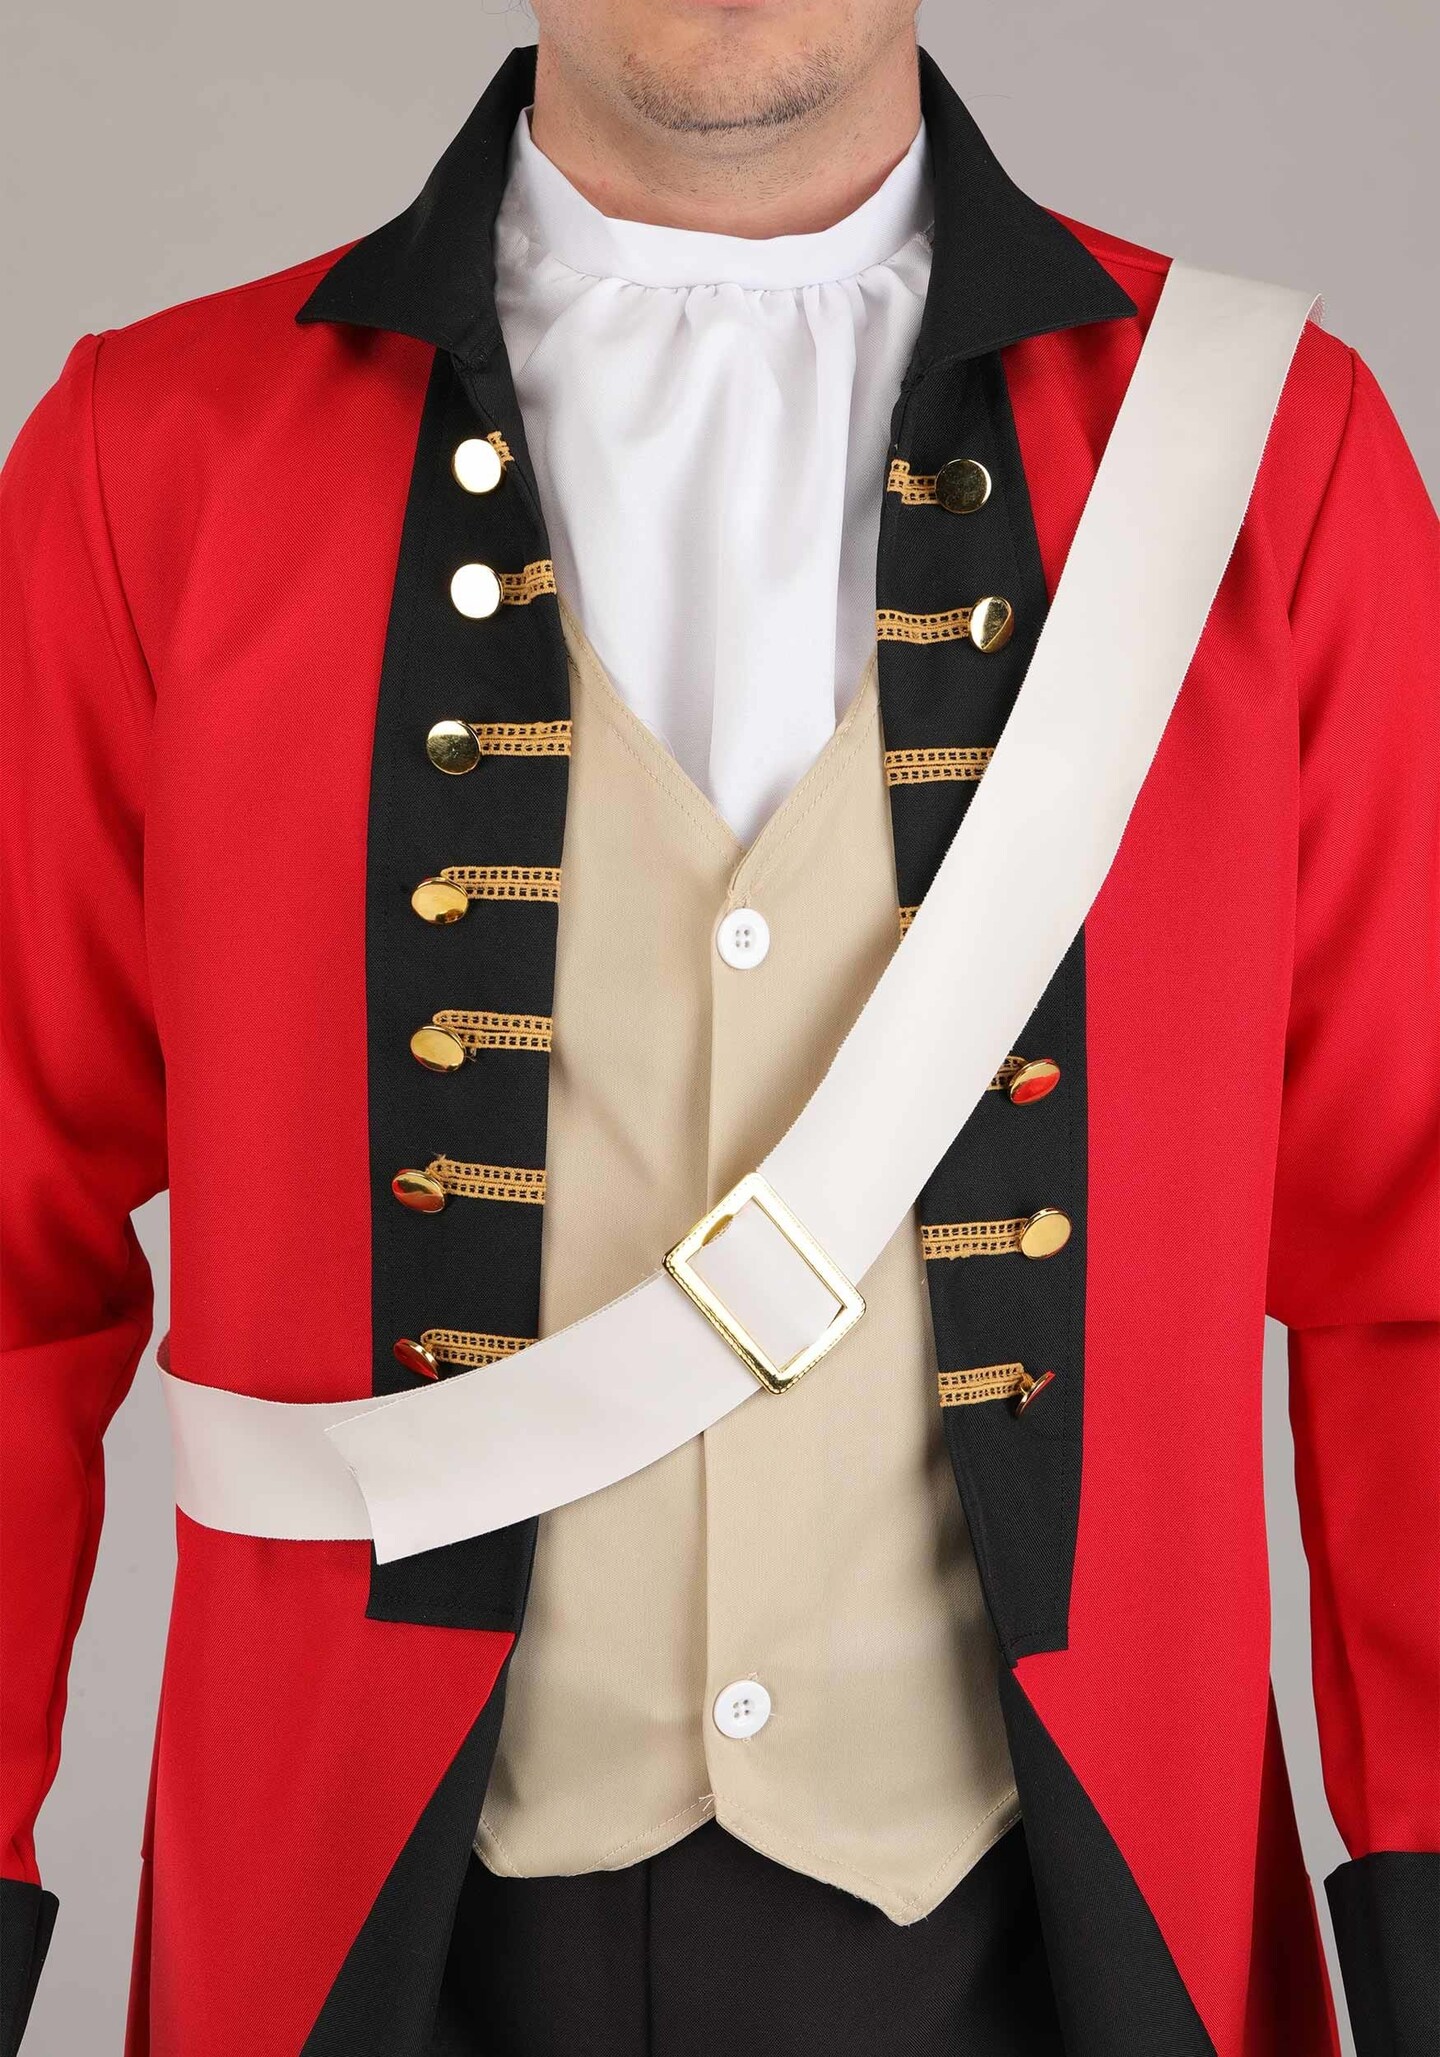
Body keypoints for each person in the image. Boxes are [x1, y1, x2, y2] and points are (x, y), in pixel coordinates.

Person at [2, 4, 1435, 2054]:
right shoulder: (147, 458)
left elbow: (1414, 1272)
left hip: (1053, 1943)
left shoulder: (1274, 455)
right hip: (374, 1945)